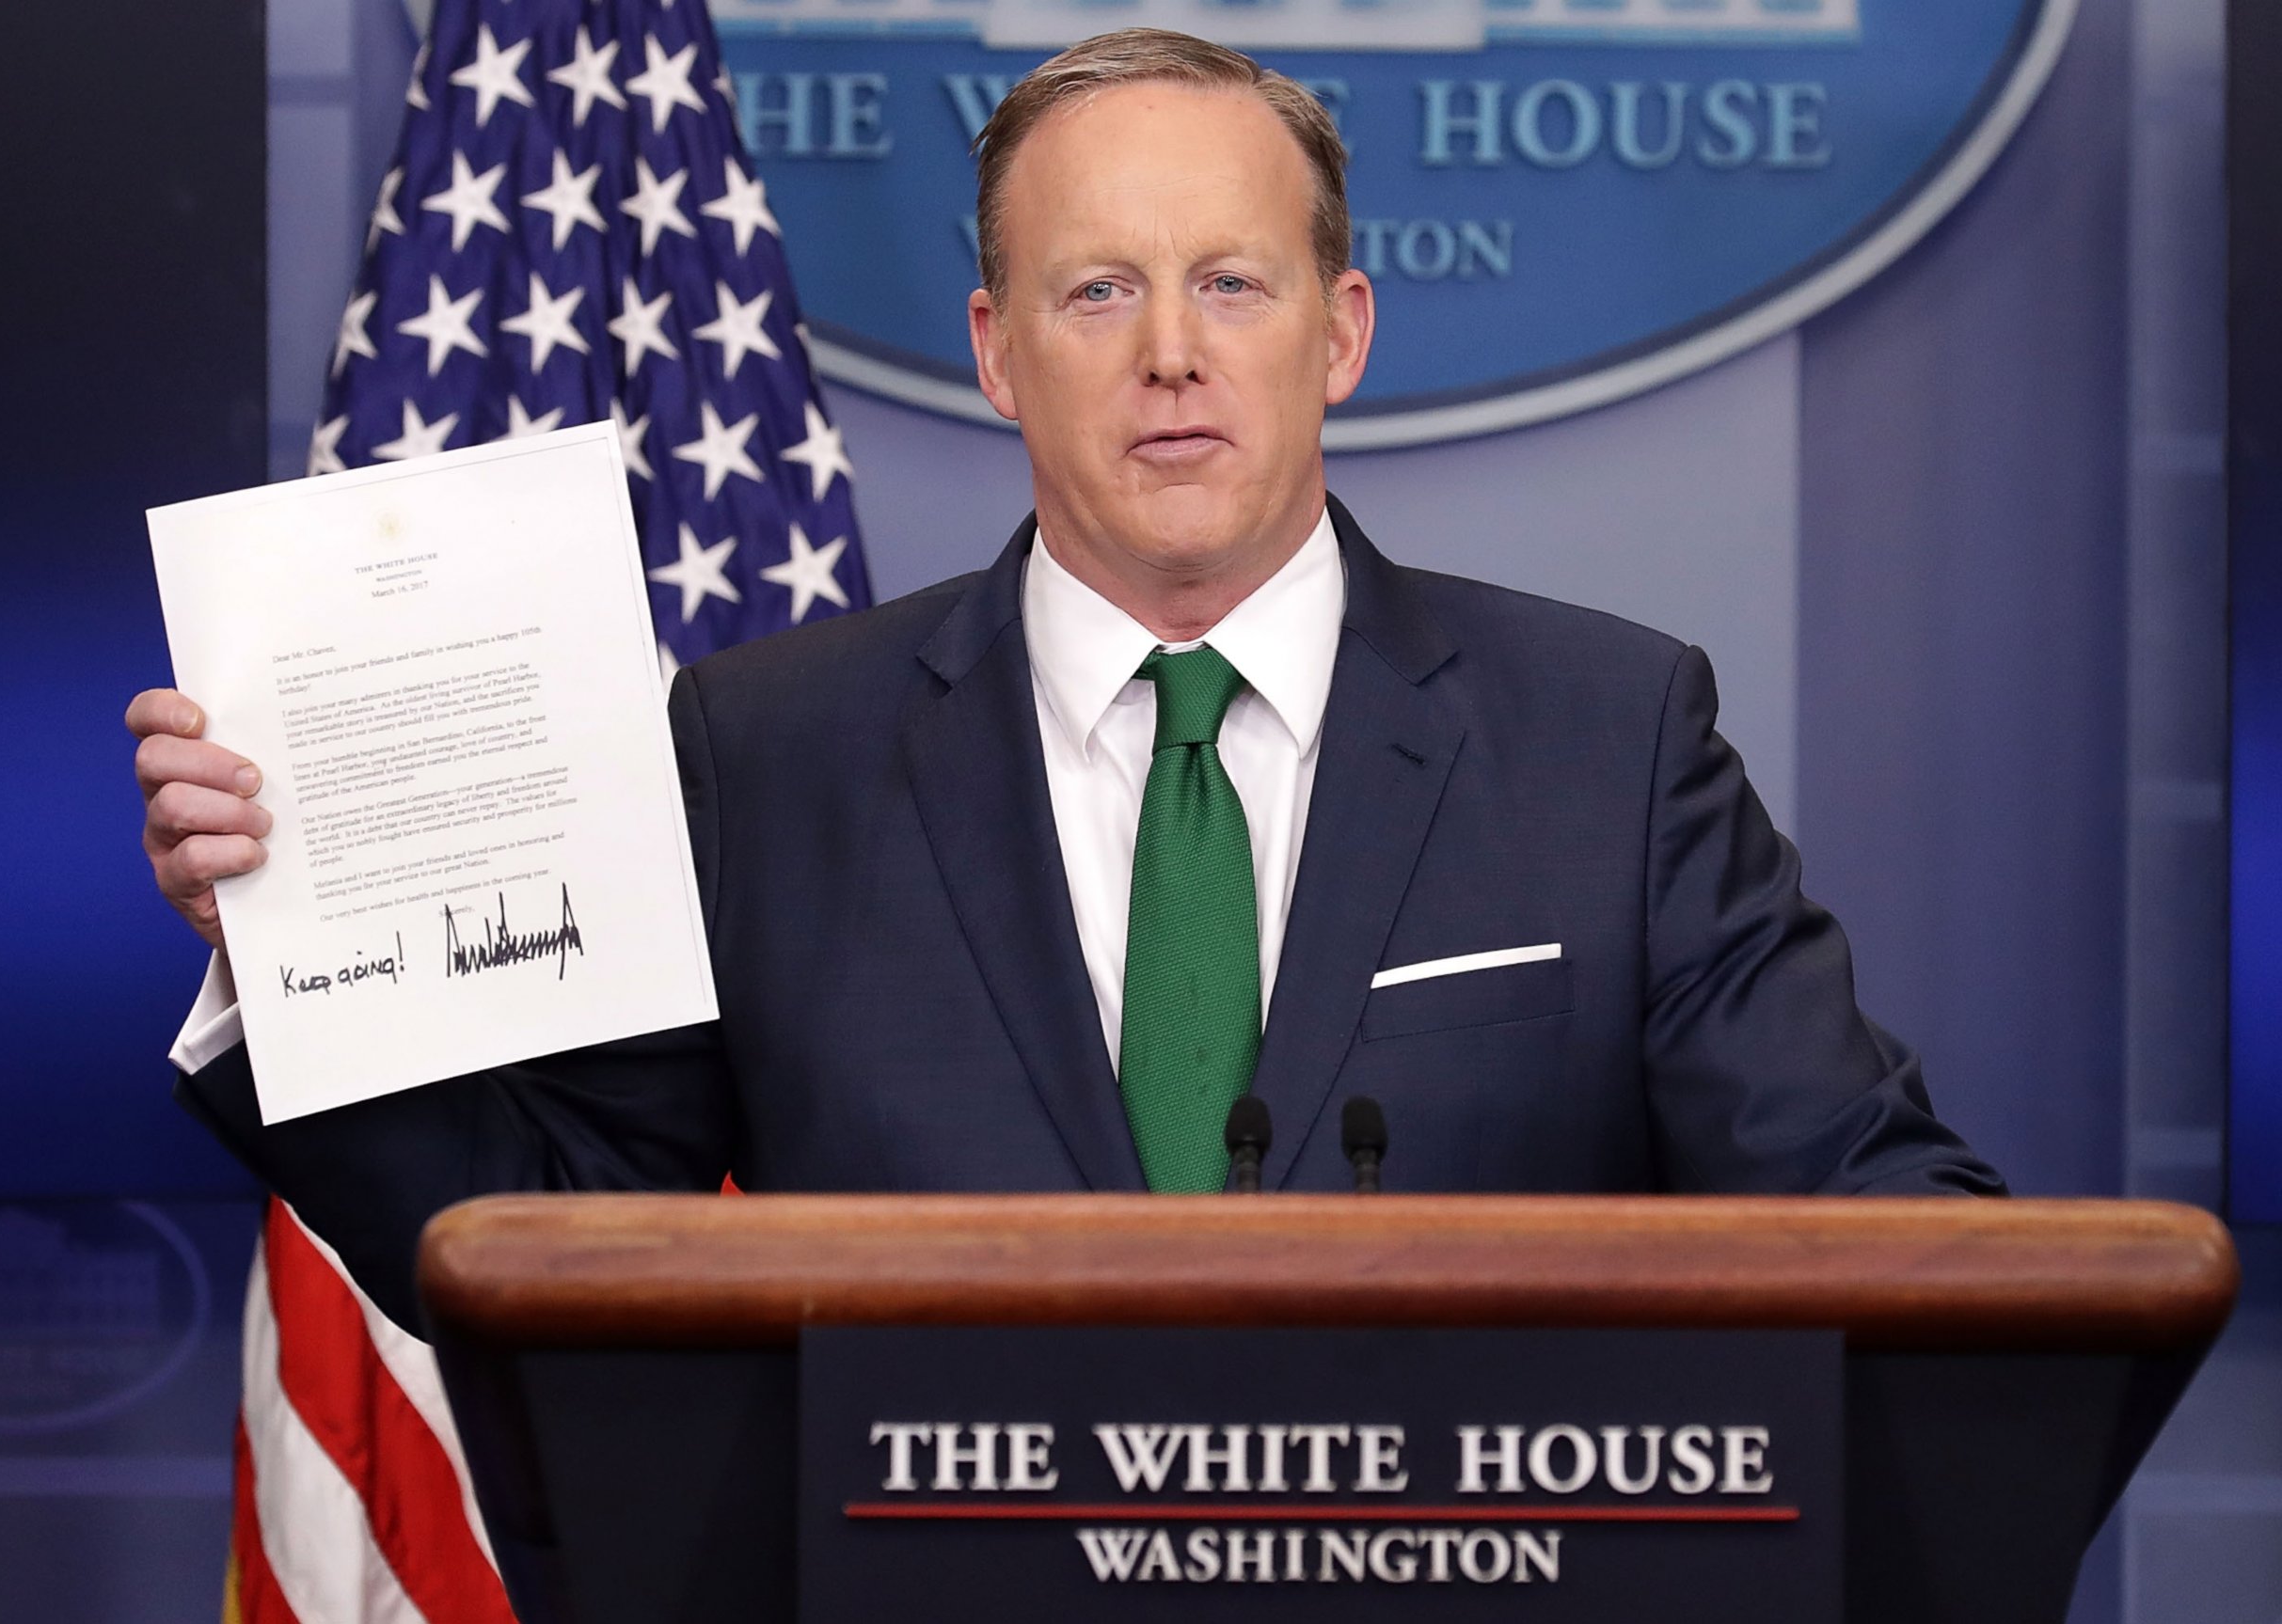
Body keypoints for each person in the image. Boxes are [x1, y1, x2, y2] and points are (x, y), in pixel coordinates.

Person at [129, 28, 2001, 1333]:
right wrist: (278, 955)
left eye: (1234, 287)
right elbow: (519, 1243)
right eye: (1097, 292)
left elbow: (1884, 1218)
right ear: (998, 349)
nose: (1172, 355)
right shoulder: (771, 753)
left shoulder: (1610, 739)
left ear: (1339, 333)